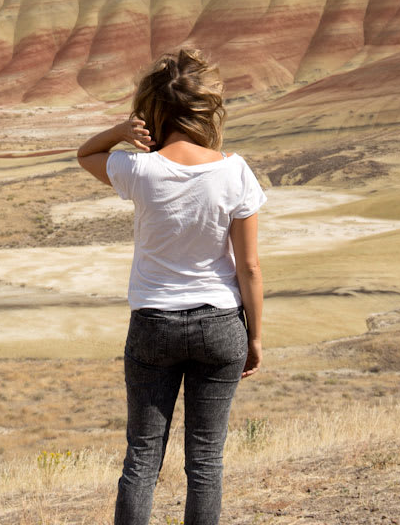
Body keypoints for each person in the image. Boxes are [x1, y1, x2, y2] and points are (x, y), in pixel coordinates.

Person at [76, 47, 265, 525]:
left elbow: (87, 155)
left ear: (154, 109)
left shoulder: (139, 170)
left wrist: (122, 132)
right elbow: (250, 268)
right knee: (206, 462)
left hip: (153, 325)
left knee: (141, 458)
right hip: (221, 324)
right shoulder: (234, 172)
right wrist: (256, 338)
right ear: (207, 108)